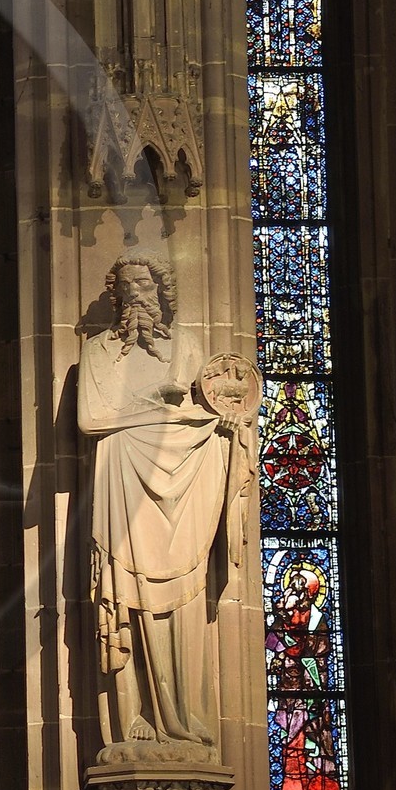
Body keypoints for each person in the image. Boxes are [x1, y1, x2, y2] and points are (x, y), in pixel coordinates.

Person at [77, 256, 255, 749]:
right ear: (117, 296)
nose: (139, 294)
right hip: (123, 478)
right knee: (126, 597)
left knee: (185, 599)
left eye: (147, 285)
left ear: (162, 293)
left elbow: (212, 406)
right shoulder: (97, 351)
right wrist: (158, 399)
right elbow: (92, 419)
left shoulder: (188, 348)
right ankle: (131, 714)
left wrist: (225, 428)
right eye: (129, 286)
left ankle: (180, 714)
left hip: (185, 479)